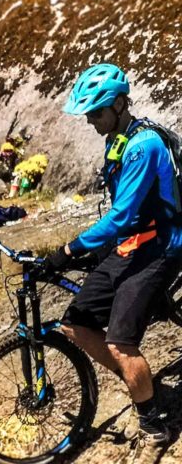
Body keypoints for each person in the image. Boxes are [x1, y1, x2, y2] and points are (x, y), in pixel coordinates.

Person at [46, 63, 182, 450]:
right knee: (75, 323)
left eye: (97, 112)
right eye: (88, 113)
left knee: (122, 344)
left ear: (121, 104)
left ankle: (153, 417)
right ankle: (135, 377)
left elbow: (121, 215)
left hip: (163, 245)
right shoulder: (117, 140)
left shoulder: (143, 145)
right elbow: (125, 216)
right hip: (133, 242)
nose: (91, 120)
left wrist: (69, 249)